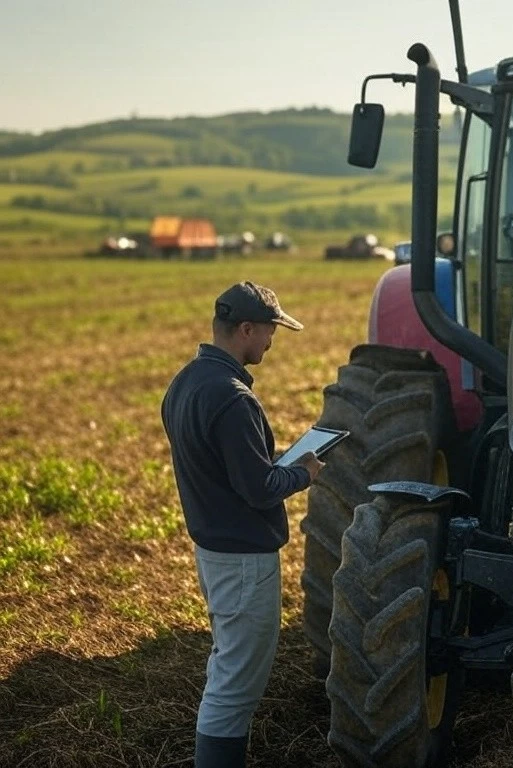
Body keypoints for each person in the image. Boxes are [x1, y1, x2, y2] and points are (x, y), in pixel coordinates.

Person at [161, 281, 325, 768]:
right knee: (236, 684)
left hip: (212, 550)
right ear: (246, 329)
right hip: (244, 560)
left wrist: (267, 464)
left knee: (228, 663)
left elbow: (227, 467)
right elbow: (258, 490)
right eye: (271, 331)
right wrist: (304, 472)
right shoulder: (234, 399)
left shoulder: (185, 383)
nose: (273, 342)